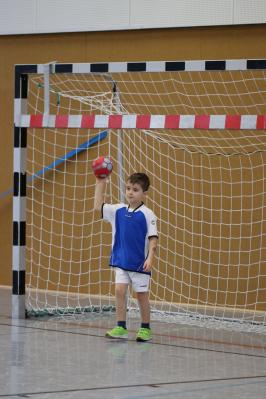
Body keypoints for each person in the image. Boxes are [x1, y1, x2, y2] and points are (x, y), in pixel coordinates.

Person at [94, 172, 158, 341]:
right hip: (121, 261)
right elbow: (97, 206)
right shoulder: (118, 210)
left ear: (144, 193)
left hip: (139, 264)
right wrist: (101, 182)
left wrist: (150, 257)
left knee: (141, 295)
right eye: (128, 188)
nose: (130, 192)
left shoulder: (148, 214)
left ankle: (145, 328)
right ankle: (121, 326)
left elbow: (153, 238)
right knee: (119, 290)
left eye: (135, 189)